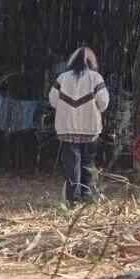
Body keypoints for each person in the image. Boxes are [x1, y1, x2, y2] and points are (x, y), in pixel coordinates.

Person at [48, 46, 109, 205]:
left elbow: (53, 101)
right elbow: (103, 103)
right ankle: (87, 195)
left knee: (72, 164)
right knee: (88, 163)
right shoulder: (96, 78)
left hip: (67, 128)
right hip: (90, 128)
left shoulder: (62, 78)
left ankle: (73, 199)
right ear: (91, 62)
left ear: (72, 61)